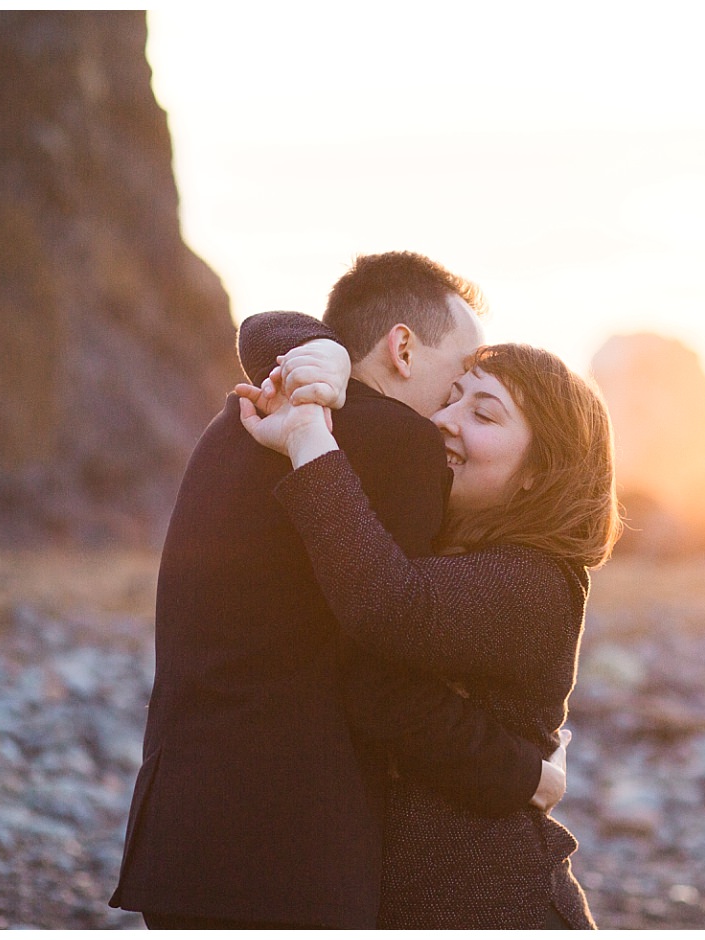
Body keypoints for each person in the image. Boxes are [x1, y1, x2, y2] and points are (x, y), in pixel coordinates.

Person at [109, 252, 566, 929]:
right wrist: (522, 774)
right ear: (403, 348)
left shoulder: (232, 426)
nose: (450, 409)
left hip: (179, 825)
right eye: (457, 375)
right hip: (294, 842)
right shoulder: (401, 442)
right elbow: (382, 678)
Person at [236, 325, 621, 929]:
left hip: (499, 908)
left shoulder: (538, 583)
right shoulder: (433, 547)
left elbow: (385, 609)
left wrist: (309, 433)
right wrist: (333, 357)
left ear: (539, 473)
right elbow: (265, 331)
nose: (444, 419)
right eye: (452, 397)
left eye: (484, 414)